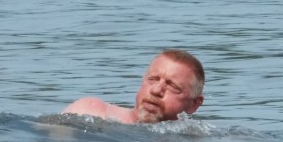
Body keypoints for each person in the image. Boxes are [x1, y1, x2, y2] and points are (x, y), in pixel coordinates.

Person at [63, 49, 204, 124]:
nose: (156, 90)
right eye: (153, 79)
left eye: (172, 86)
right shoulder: (90, 111)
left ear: (194, 104)